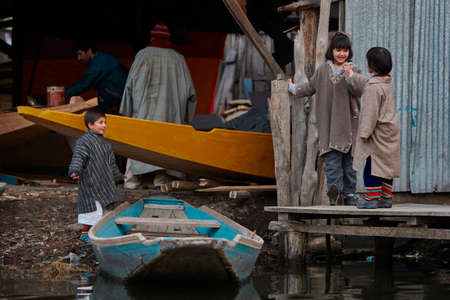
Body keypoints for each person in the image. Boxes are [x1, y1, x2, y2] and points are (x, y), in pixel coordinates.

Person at [119, 23, 197, 189]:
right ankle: (160, 179)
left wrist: (126, 111)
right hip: (170, 114)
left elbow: (129, 86)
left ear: (152, 38)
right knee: (166, 144)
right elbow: (191, 93)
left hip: (144, 112)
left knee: (137, 142)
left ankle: (131, 181)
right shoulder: (179, 59)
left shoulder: (142, 55)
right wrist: (185, 119)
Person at [288, 32, 361, 205]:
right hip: (329, 128)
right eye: (338, 50)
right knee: (332, 165)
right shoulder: (322, 70)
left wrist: (350, 75)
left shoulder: (354, 70)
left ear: (349, 52)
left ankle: (350, 195)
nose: (341, 54)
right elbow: (310, 87)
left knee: (349, 166)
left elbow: (358, 89)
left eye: (345, 50)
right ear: (332, 51)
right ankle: (334, 196)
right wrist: (293, 88)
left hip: (348, 126)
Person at [343, 47, 400, 209]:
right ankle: (385, 197)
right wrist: (352, 75)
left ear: (371, 65)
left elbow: (370, 113)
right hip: (389, 131)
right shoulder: (386, 82)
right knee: (386, 166)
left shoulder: (373, 88)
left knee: (373, 166)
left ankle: (371, 198)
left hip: (377, 132)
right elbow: (366, 82)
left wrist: (364, 133)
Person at [68, 109, 124, 238]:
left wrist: (119, 176)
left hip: (105, 182)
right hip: (90, 183)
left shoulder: (105, 144)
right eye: (100, 122)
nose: (104, 125)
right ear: (90, 125)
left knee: (106, 212)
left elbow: (111, 163)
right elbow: (78, 157)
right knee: (92, 212)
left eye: (105, 122)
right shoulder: (84, 141)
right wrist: (75, 170)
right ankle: (86, 236)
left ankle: (101, 234)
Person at [65, 40, 128, 114]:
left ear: (89, 51)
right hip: (117, 96)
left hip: (119, 97)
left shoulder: (99, 62)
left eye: (80, 54)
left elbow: (85, 83)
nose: (78, 58)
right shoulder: (101, 58)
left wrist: (64, 93)